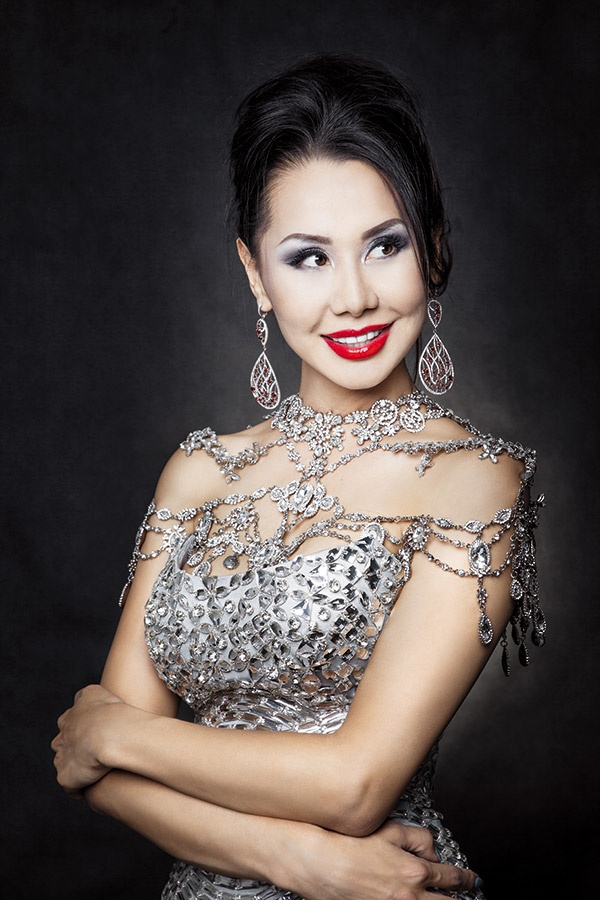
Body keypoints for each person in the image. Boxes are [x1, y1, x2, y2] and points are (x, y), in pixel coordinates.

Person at [51, 54, 545, 900]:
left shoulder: (476, 480)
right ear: (256, 275)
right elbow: (88, 772)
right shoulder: (200, 470)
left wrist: (117, 734)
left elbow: (354, 786)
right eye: (309, 257)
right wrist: (295, 859)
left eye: (384, 245)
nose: (352, 297)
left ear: (431, 248)